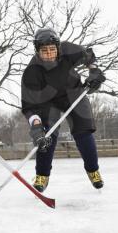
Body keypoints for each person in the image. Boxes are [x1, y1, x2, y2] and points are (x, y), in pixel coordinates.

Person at [21, 27, 106, 193]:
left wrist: (94, 71)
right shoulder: (31, 72)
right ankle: (42, 175)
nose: (49, 54)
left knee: (83, 130)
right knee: (47, 135)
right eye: (44, 51)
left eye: (52, 50)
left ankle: (93, 170)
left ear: (58, 48)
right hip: (48, 102)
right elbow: (29, 107)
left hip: (73, 93)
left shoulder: (68, 50)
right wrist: (36, 126)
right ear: (37, 50)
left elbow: (89, 56)